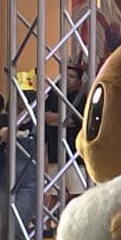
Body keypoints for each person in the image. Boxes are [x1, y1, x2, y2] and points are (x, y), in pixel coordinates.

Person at [43, 64, 88, 214]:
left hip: (75, 154)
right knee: (54, 194)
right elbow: (46, 117)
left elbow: (73, 120)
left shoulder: (81, 98)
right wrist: (61, 119)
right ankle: (47, 223)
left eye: (72, 77)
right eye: (65, 75)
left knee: (79, 192)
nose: (68, 79)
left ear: (79, 81)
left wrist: (56, 118)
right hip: (55, 152)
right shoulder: (53, 95)